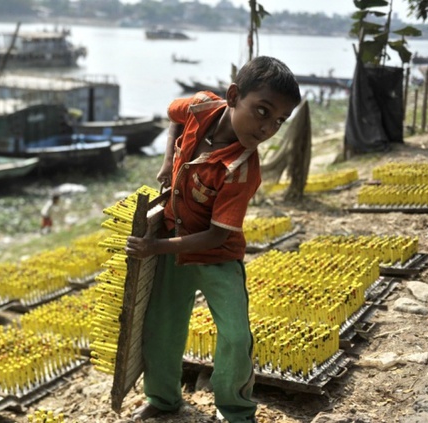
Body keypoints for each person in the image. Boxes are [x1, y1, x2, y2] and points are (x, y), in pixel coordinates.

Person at [124, 56, 301, 423]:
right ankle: (163, 399)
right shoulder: (202, 105)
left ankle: (236, 411)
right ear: (234, 96)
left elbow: (217, 233)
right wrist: (169, 159)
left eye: (279, 122)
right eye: (263, 111)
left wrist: (154, 248)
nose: (268, 127)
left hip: (217, 254)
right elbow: (174, 116)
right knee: (163, 325)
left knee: (236, 336)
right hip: (176, 240)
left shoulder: (242, 169)